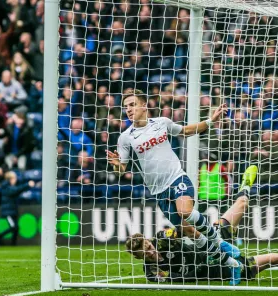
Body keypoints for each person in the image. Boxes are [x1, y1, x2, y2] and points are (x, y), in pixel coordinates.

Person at [106, 88, 242, 284]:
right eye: (126, 106)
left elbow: (186, 131)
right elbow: (122, 169)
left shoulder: (162, 123)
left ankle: (220, 242)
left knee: (185, 211)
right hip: (158, 191)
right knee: (189, 231)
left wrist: (211, 121)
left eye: (132, 104)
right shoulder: (125, 138)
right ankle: (232, 265)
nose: (128, 109)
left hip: (177, 178)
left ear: (144, 105)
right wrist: (116, 165)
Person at [126, 166, 278, 284]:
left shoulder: (161, 240)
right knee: (258, 264)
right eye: (145, 253)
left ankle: (245, 186)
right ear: (138, 257)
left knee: (242, 203)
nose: (151, 252)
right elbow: (176, 280)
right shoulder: (151, 271)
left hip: (210, 245)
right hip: (215, 268)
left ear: (148, 241)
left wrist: (186, 230)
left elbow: (185, 230)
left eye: (148, 247)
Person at [0, 171, 35, 245]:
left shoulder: (11, 186)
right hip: (8, 211)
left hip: (12, 210)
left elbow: (18, 189)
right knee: (14, 227)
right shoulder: (6, 187)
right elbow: (16, 190)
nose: (16, 180)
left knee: (16, 228)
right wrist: (27, 185)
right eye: (14, 178)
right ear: (10, 179)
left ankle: (13, 244)